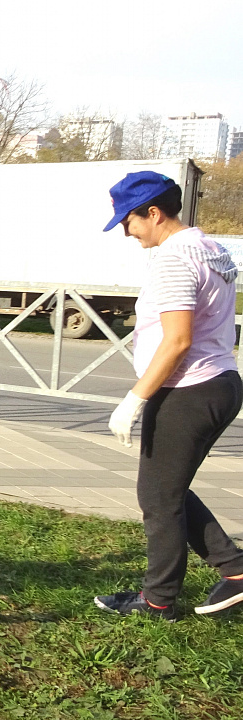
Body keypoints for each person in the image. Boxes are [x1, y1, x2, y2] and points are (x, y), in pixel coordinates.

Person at [94, 171, 243, 621]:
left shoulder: (174, 259)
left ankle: (158, 601)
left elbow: (177, 340)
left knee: (158, 498)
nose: (127, 231)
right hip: (220, 381)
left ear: (154, 213)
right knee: (168, 490)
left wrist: (135, 399)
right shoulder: (210, 247)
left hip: (188, 389)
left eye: (129, 221)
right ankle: (235, 570)